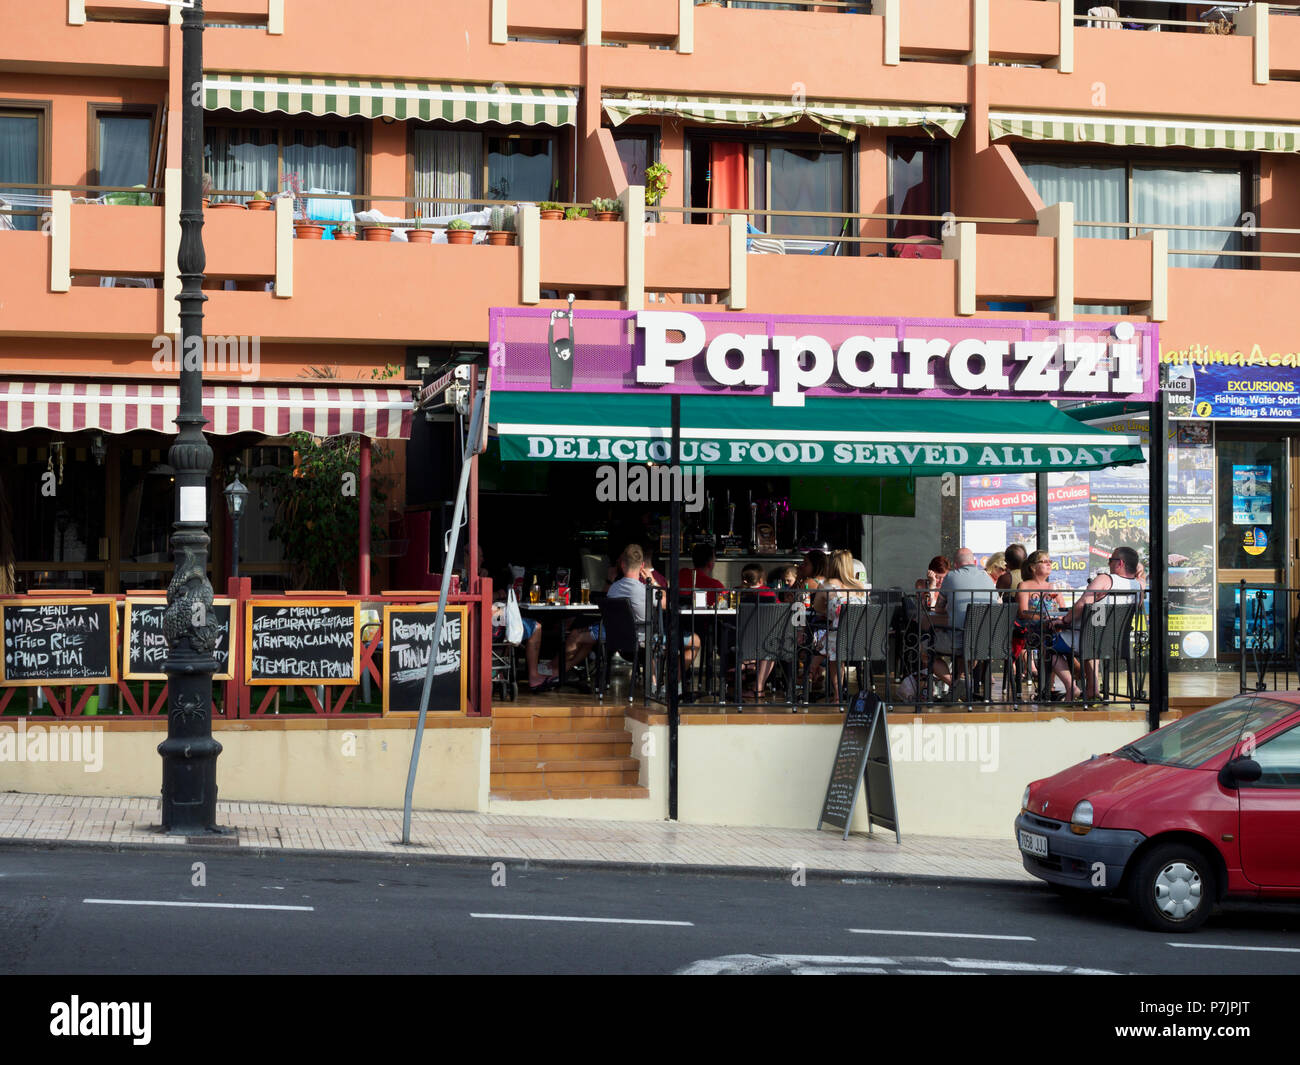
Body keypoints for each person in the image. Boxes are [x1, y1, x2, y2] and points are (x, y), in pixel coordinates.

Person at [565, 543, 698, 681]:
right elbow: (667, 604)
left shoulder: (613, 589)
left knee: (576, 635)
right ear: (642, 566)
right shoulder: (647, 591)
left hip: (615, 638)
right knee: (696, 641)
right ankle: (672, 684)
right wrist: (652, 581)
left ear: (622, 565)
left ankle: (557, 673)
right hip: (644, 639)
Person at [1048, 545, 1143, 702]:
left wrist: (1064, 621)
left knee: (1047, 644)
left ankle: (1072, 689)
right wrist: (1139, 570)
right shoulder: (1139, 586)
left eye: (1111, 560)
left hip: (1090, 640)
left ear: (1120, 563)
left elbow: (1083, 603)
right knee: (1091, 637)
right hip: (1117, 642)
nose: (1108, 564)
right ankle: (1093, 690)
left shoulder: (1105, 580)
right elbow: (1141, 577)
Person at [928, 547, 995, 690]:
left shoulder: (951, 577)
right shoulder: (987, 578)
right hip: (985, 642)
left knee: (924, 649)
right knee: (969, 646)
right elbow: (997, 604)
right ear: (975, 562)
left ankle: (955, 684)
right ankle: (961, 681)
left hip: (958, 640)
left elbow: (939, 608)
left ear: (956, 564)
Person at [809, 548, 868, 700]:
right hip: (862, 638)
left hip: (838, 639)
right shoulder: (860, 586)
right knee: (828, 640)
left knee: (825, 642)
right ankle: (812, 670)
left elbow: (817, 608)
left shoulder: (827, 585)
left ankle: (834, 691)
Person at [491, 597, 558, 692]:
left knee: (509, 629)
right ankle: (533, 676)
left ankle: (498, 671)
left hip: (481, 620)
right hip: (492, 620)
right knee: (533, 628)